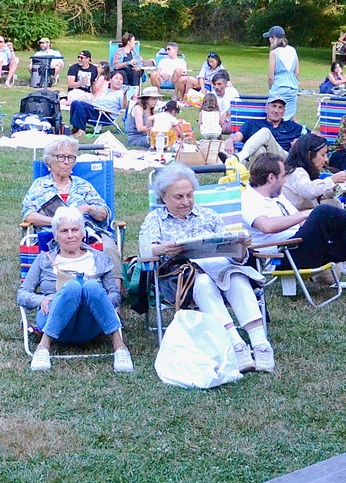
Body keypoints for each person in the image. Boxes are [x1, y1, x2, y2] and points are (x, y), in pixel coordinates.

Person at [141, 163, 273, 372]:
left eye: (189, 195)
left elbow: (234, 254)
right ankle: (235, 344)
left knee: (237, 277)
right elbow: (147, 251)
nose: (186, 202)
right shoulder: (155, 220)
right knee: (202, 283)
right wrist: (161, 249)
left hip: (220, 269)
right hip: (182, 277)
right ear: (163, 196)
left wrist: (239, 248)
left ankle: (260, 344)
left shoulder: (208, 215)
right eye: (179, 197)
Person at [242, 154, 346, 312]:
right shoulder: (248, 200)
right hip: (283, 257)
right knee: (321, 211)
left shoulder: (277, 197)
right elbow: (267, 226)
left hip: (305, 247)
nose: (285, 182)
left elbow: (299, 221)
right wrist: (306, 214)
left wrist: (312, 221)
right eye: (282, 177)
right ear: (271, 178)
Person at [18, 206, 132, 374]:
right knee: (72, 287)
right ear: (56, 236)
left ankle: (120, 347)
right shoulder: (44, 259)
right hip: (53, 320)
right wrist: (41, 299)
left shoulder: (99, 258)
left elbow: (115, 294)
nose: (70, 235)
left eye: (75, 230)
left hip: (90, 323)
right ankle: (43, 347)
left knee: (91, 286)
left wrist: (101, 302)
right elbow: (22, 294)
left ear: (83, 233)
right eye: (64, 231)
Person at [21, 138, 111, 240]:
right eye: (61, 157)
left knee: (108, 247)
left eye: (71, 157)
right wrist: (57, 222)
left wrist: (88, 208)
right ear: (49, 161)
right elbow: (28, 215)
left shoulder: (83, 185)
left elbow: (104, 214)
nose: (67, 162)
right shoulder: (40, 185)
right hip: (51, 237)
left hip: (89, 236)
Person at [227, 96, 305, 164]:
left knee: (265, 131)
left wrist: (300, 143)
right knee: (260, 150)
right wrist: (230, 140)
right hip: (260, 161)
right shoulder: (252, 124)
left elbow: (314, 137)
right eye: (274, 106)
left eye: (280, 107)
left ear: (283, 112)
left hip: (282, 159)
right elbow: (238, 136)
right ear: (266, 109)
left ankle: (237, 158)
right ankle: (257, 179)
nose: (276, 111)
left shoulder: (292, 126)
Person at [68, 71, 127, 137]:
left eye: (121, 79)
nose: (118, 81)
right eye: (116, 78)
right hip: (96, 110)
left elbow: (124, 107)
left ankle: (82, 130)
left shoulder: (121, 93)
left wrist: (125, 95)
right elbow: (95, 101)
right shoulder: (105, 91)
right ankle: (75, 128)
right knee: (75, 103)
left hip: (105, 114)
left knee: (81, 105)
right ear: (110, 80)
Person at [263, 25, 300, 115]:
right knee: (290, 117)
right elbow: (297, 72)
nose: (269, 40)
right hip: (292, 89)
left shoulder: (274, 53)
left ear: (274, 38)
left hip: (278, 89)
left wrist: (271, 88)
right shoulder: (292, 50)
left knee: (272, 116)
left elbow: (271, 77)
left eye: (270, 37)